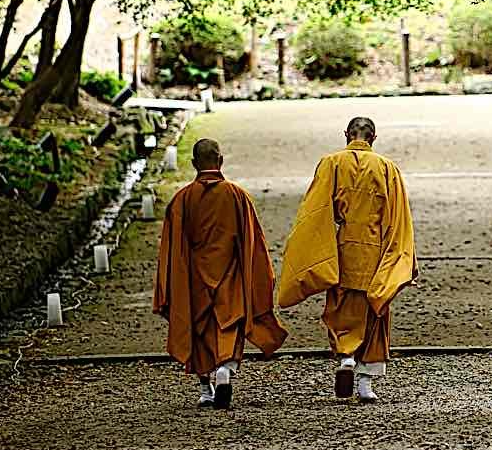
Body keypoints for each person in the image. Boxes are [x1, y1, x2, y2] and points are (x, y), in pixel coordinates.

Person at [277, 117, 416, 403]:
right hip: (375, 250)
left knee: (340, 307)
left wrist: (307, 250)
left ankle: (346, 357)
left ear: (346, 135)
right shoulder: (387, 168)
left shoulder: (331, 163)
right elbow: (398, 216)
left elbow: (314, 212)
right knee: (374, 311)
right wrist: (402, 258)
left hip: (342, 249)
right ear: (374, 137)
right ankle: (366, 384)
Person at [154, 137, 287, 408]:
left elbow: (171, 248)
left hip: (194, 279)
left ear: (193, 164)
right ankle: (226, 368)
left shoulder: (181, 200)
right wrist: (259, 277)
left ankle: (205, 388)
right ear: (221, 160)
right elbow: (253, 243)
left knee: (199, 329)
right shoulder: (237, 196)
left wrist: (169, 286)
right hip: (230, 274)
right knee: (228, 324)